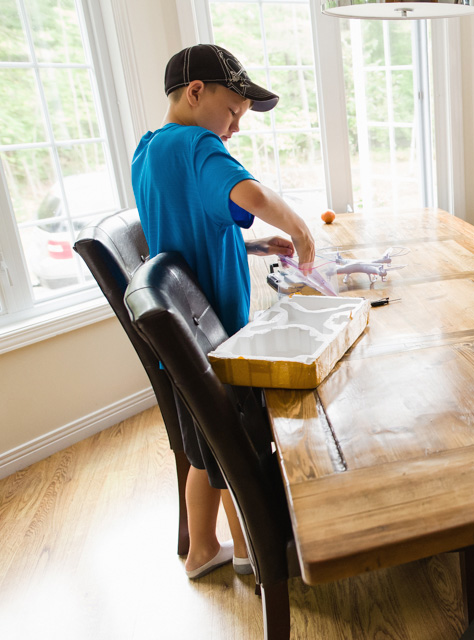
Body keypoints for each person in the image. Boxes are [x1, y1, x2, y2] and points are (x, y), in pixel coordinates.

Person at [132, 43, 316, 579]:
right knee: (236, 453)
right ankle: (251, 552)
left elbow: (186, 231)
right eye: (233, 112)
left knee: (203, 451)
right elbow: (251, 194)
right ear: (196, 93)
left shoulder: (150, 150)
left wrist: (255, 247)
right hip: (218, 345)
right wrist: (298, 228)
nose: (235, 128)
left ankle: (200, 550)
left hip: (185, 347)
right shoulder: (197, 145)